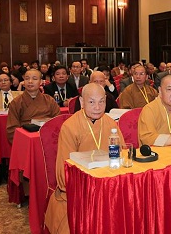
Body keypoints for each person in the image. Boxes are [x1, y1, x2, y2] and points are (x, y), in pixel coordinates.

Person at [44, 83, 124, 234]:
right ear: (81, 102)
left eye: (101, 101)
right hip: (81, 191)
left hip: (109, 187)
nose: (98, 107)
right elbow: (63, 172)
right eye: (92, 102)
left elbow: (122, 155)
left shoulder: (111, 123)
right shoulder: (70, 126)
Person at [6, 69, 60, 143]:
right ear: (23, 81)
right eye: (27, 78)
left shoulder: (49, 100)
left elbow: (57, 122)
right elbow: (12, 128)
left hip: (47, 139)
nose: (30, 81)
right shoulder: (16, 102)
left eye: (34, 79)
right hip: (25, 140)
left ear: (41, 82)